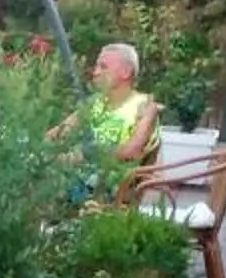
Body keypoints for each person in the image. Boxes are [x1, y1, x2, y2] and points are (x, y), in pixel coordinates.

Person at [59, 42, 161, 194]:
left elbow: (132, 151)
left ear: (126, 72)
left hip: (110, 185)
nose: (95, 72)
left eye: (103, 67)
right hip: (79, 175)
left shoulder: (145, 107)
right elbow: (60, 132)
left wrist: (87, 153)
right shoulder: (94, 102)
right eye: (96, 66)